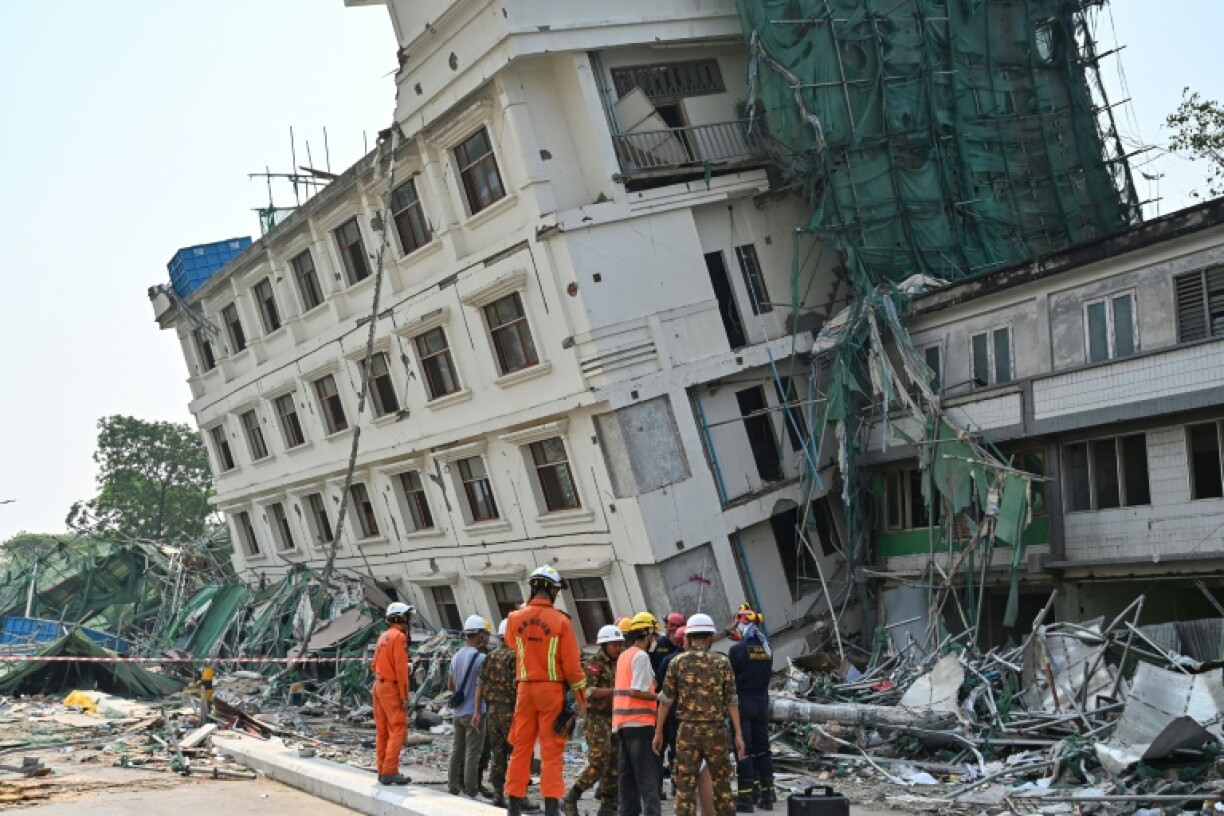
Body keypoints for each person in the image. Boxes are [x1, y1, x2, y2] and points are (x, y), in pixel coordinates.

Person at [504, 566, 588, 816]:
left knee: (521, 748)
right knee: (552, 750)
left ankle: (514, 805)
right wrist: (581, 700)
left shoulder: (514, 618)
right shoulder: (561, 621)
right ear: (552, 590)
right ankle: (551, 807)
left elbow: (511, 642)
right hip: (550, 691)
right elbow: (572, 667)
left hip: (524, 690)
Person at [653, 613, 746, 816]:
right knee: (722, 786)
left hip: (687, 732)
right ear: (710, 637)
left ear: (688, 637)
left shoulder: (677, 662)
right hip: (716, 731)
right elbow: (732, 700)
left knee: (685, 789)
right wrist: (738, 734)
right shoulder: (722, 663)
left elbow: (665, 700)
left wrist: (658, 732)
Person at [475, 620, 541, 811]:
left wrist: (479, 710)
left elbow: (481, 684)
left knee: (498, 754)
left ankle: (498, 793)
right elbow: (520, 687)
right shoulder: (516, 657)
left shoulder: (490, 656)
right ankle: (520, 796)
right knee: (521, 754)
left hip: (493, 712)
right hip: (513, 712)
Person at [564, 624, 624, 816]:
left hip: (614, 717)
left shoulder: (620, 662)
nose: (618, 648)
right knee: (599, 762)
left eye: (620, 644)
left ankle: (608, 806)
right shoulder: (593, 665)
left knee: (613, 764)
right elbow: (588, 691)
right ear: (604, 645)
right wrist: (617, 691)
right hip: (597, 719)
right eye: (614, 645)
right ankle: (572, 797)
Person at [615, 611, 663, 816]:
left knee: (627, 777)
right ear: (647, 634)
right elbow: (636, 690)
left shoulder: (624, 655)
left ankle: (628, 813)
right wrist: (660, 697)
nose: (655, 640)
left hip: (622, 723)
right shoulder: (641, 656)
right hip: (641, 724)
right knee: (647, 776)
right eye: (654, 635)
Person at [728, 607, 775, 812]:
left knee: (743, 748)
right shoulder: (766, 647)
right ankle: (768, 795)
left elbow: (731, 679)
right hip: (762, 703)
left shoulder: (737, 650)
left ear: (742, 623)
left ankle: (746, 799)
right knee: (763, 748)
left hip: (742, 704)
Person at [371, 601, 414, 786]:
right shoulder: (399, 637)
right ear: (401, 618)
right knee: (398, 728)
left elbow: (374, 664)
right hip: (391, 688)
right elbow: (401, 670)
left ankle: (382, 770)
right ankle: (389, 771)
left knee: (382, 731)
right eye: (408, 617)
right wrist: (404, 696)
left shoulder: (383, 636)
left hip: (378, 685)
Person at [448, 615, 490, 798]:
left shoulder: (456, 656)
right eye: (485, 634)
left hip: (457, 713)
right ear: (479, 635)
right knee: (473, 753)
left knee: (457, 751)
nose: (487, 638)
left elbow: (451, 686)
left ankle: (453, 787)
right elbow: (481, 686)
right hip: (474, 712)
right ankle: (471, 790)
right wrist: (477, 711)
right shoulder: (481, 658)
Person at [655, 625, 686, 792]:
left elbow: (661, 685)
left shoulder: (669, 660)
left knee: (675, 745)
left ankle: (676, 781)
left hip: (672, 709)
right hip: (689, 711)